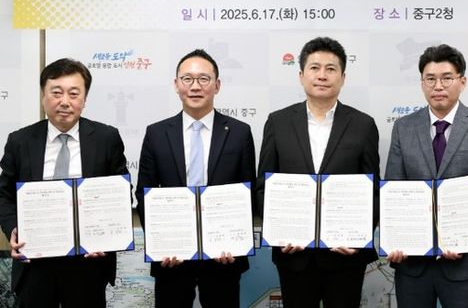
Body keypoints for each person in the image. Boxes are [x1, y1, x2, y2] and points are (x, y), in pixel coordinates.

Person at [256, 37, 379, 307]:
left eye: (331, 69)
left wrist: (359, 237)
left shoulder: (363, 125)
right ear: (301, 75)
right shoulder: (278, 122)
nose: (322, 75)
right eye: (314, 68)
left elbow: (373, 191)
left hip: (346, 256)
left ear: (343, 78)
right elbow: (264, 186)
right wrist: (279, 232)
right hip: (294, 256)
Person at [0, 58, 129, 307]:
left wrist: (107, 238)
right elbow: (4, 195)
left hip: (87, 264)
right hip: (35, 263)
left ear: (84, 99)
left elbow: (121, 193)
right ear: (43, 96)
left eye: (74, 93)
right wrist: (13, 228)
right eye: (56, 93)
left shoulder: (106, 138)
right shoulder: (20, 141)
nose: (65, 101)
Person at [384, 44, 468, 308]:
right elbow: (394, 190)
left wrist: (460, 233)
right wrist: (396, 237)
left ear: (462, 82)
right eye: (430, 79)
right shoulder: (403, 127)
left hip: (465, 261)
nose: (438, 86)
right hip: (413, 263)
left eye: (447, 78)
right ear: (422, 83)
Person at [135, 49, 255, 308]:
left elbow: (248, 194)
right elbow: (144, 194)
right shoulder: (156, 133)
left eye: (204, 79)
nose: (195, 86)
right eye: (187, 79)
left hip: (224, 257)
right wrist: (161, 244)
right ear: (176, 84)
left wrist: (234, 243)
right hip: (172, 258)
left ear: (217, 85)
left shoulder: (239, 132)